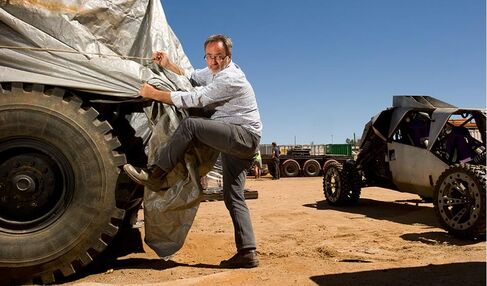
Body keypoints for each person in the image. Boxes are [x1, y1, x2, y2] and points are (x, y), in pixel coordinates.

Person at [123, 34, 261, 268]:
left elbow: (195, 98)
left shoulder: (230, 78)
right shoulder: (213, 71)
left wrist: (154, 94)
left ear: (228, 57)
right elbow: (192, 77)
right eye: (209, 56)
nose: (213, 61)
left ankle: (156, 175)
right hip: (237, 140)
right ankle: (248, 252)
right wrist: (167, 64)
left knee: (191, 125)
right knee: (233, 195)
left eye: (219, 57)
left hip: (242, 136)